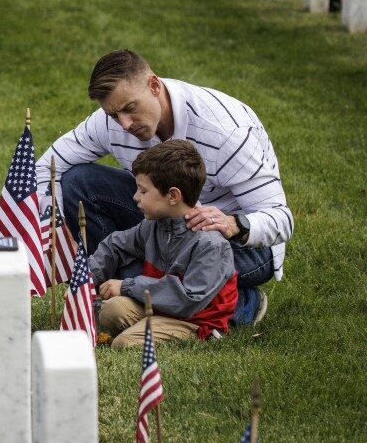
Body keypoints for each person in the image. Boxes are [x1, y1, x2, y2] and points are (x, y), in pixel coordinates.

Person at [35, 49, 294, 326]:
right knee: (79, 182)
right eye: (114, 115)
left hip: (237, 248)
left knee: (177, 269)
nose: (124, 124)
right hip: (163, 229)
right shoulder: (111, 123)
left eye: (130, 109)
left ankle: (237, 304)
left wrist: (233, 224)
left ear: (155, 86)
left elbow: (282, 219)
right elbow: (45, 167)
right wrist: (54, 223)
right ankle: (122, 292)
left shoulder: (226, 132)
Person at [88, 140, 237, 347]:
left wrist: (127, 286)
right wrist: (86, 279)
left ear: (173, 196)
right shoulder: (154, 226)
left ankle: (194, 335)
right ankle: (146, 325)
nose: (135, 197)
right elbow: (116, 245)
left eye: (143, 191)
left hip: (193, 320)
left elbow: (188, 300)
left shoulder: (211, 244)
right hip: (159, 307)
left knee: (124, 343)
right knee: (110, 311)